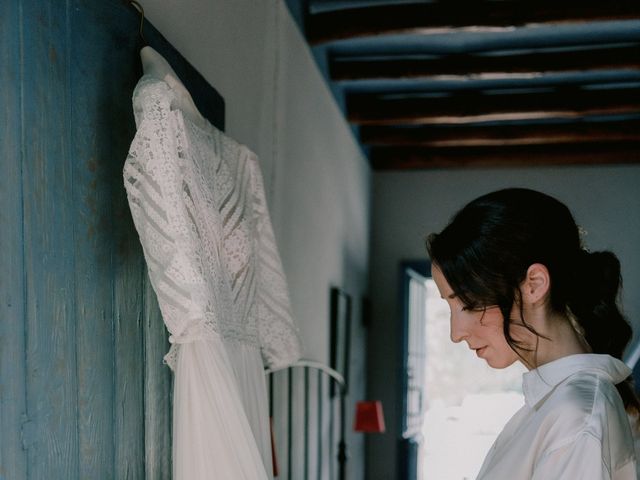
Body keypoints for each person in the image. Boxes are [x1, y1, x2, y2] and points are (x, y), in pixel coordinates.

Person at [427, 188, 639, 479]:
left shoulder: (575, 417)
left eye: (470, 303)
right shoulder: (559, 405)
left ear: (535, 285)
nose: (456, 333)